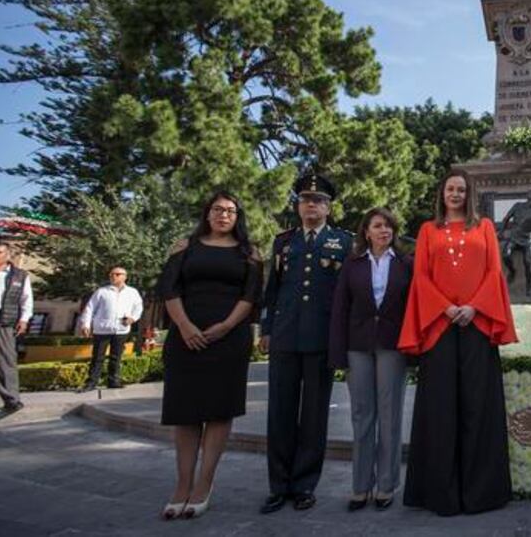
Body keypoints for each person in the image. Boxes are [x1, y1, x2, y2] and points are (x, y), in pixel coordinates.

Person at [399, 169, 518, 516]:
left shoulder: (484, 228)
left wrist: (473, 307)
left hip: (477, 324)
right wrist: (447, 307)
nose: (455, 194)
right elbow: (420, 276)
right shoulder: (426, 230)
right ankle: (440, 494)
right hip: (440, 325)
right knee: (439, 409)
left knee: (479, 408)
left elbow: (494, 272)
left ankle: (482, 493)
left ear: (469, 195)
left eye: (461, 189)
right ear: (442, 194)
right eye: (450, 188)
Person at [156, 192, 263, 520]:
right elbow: (169, 289)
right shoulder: (184, 247)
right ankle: (182, 484)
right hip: (186, 336)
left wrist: (226, 326)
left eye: (231, 210)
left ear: (237, 217)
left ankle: (204, 484)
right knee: (186, 413)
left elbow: (251, 295)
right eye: (218, 209)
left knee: (218, 412)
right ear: (207, 213)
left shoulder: (250, 253)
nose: (223, 215)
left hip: (229, 337)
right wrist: (186, 326)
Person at [258, 172, 352, 514]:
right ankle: (278, 486)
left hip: (321, 340)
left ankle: (304, 486)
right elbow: (272, 290)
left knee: (314, 416)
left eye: (319, 200)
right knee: (279, 413)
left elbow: (346, 298)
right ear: (298, 206)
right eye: (306, 200)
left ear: (329, 207)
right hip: (284, 336)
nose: (312, 205)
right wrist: (266, 329)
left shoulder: (343, 242)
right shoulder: (283, 242)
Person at [329, 207, 413, 512]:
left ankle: (386, 485)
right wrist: (337, 353)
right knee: (362, 416)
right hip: (357, 346)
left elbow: (414, 307)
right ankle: (360, 486)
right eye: (378, 226)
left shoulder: (406, 264)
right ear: (366, 232)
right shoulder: (352, 265)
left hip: (393, 346)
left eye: (388, 226)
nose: (384, 231)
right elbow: (339, 310)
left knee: (390, 417)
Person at [79, 266, 143, 391]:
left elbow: (138, 307)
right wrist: (85, 324)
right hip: (102, 329)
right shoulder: (102, 291)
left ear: (125, 276)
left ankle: (113, 381)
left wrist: (133, 318)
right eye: (111, 274)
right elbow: (89, 308)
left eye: (117, 274)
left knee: (116, 357)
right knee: (97, 357)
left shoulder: (132, 292)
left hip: (121, 329)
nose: (113, 276)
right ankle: (91, 382)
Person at [0, 241, 33, 417]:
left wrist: (24, 319)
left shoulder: (19, 275)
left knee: (6, 361)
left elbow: (27, 299)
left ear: (7, 254)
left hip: (5, 321)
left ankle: (12, 400)